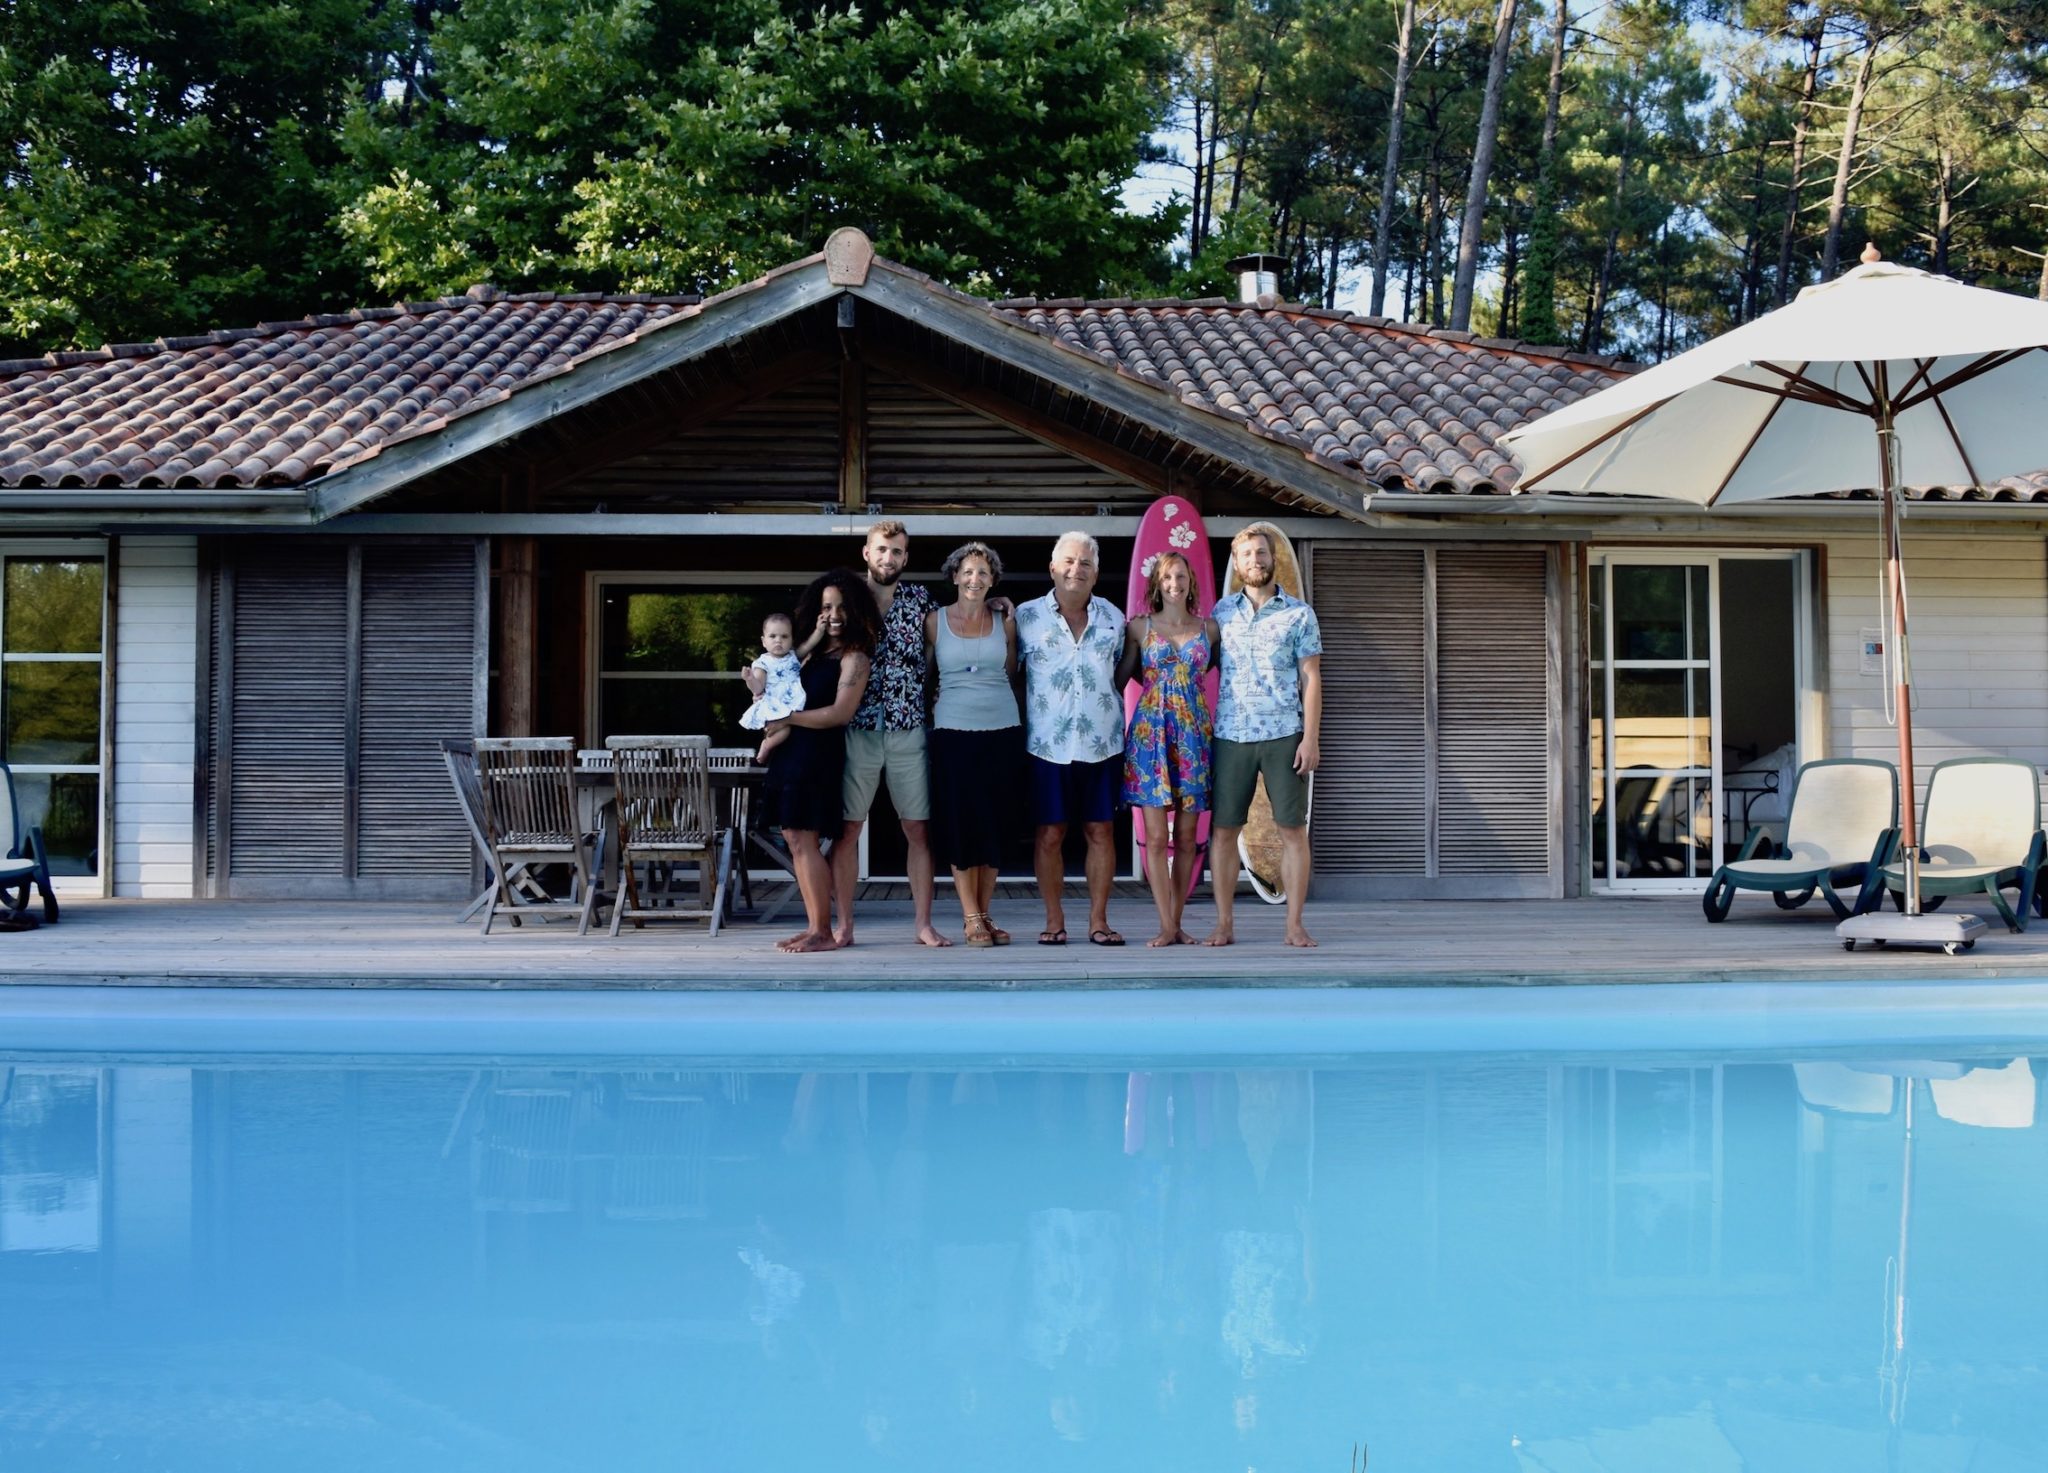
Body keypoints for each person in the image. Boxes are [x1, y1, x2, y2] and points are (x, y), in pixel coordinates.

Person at [813, 521, 950, 949]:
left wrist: (997, 605)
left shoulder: (921, 600)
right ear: (866, 553)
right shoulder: (845, 600)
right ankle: (845, 926)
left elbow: (953, 635)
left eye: (896, 552)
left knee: (918, 830)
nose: (888, 558)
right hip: (858, 728)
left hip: (909, 728)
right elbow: (808, 642)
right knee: (849, 830)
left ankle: (923, 924)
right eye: (881, 550)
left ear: (905, 559)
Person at [1205, 524, 1322, 948]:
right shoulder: (1219, 614)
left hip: (1284, 735)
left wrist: (1310, 738)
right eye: (1247, 554)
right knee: (1223, 830)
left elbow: (1311, 678)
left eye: (1261, 553)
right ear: (1237, 564)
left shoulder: (1299, 614)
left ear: (1274, 560)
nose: (1255, 560)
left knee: (1292, 830)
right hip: (1230, 735)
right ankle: (1224, 924)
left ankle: (1294, 925)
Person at [758, 571, 880, 954]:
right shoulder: (810, 652)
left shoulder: (855, 655)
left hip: (818, 756)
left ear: (856, 610)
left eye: (842, 607)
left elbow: (841, 712)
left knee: (804, 837)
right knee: (794, 838)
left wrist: (788, 718)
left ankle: (823, 931)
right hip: (792, 752)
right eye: (827, 607)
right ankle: (814, 925)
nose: (835, 615)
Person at [1015, 531, 1127, 946]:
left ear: (1096, 574)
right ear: (1052, 568)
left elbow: (1120, 675)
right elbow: (1011, 674)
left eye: (1085, 563)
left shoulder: (1116, 619)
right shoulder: (1024, 617)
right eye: (1068, 561)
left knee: (1101, 831)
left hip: (1103, 742)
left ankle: (1099, 921)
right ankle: (1054, 920)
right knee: (1051, 833)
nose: (1075, 569)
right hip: (1047, 744)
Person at [1115, 551, 1219, 948]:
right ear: (1156, 584)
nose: (1174, 583)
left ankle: (1176, 922)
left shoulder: (1210, 630)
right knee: (1156, 840)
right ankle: (1165, 924)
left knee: (1189, 839)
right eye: (1167, 578)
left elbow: (1221, 674)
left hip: (1193, 736)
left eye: (1180, 576)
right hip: (1151, 737)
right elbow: (1121, 677)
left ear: (1191, 580)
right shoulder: (1139, 628)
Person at [924, 542, 1023, 948]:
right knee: (963, 824)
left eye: (983, 573)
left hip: (1003, 729)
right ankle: (970, 917)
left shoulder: (1006, 620)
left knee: (994, 825)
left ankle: (985, 914)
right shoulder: (934, 621)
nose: (974, 579)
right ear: (954, 576)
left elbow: (1013, 672)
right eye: (967, 571)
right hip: (953, 732)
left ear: (992, 581)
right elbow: (926, 676)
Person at [738, 612, 804, 764]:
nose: (778, 641)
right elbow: (758, 688)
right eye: (773, 636)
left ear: (792, 639)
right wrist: (750, 679)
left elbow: (808, 646)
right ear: (764, 641)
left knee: (789, 727)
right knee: (784, 730)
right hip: (775, 703)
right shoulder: (763, 663)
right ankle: (766, 745)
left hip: (791, 700)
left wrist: (819, 631)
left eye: (784, 636)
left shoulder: (793, 656)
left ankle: (769, 746)